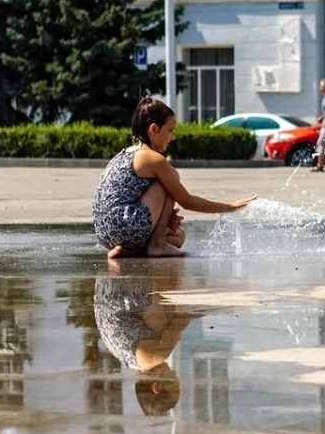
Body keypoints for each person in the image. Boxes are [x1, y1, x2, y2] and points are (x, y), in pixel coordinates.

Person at [93, 96, 256, 258]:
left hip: (106, 234)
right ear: (154, 129)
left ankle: (129, 249)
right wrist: (230, 207)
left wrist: (166, 218)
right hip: (125, 225)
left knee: (178, 237)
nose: (173, 137)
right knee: (170, 178)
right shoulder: (152, 158)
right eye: (170, 130)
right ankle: (157, 244)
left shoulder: (126, 153)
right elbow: (187, 201)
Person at [93, 260, 201, 416]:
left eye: (174, 383)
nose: (177, 376)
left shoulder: (151, 359)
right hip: (106, 286)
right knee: (161, 329)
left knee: (166, 326)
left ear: (156, 386)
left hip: (127, 287)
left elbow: (180, 320)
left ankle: (160, 269)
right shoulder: (131, 363)